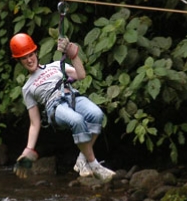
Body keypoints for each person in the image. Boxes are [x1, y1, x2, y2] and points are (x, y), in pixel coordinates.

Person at [9, 32, 116, 182]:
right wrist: (29, 149)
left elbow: (81, 75)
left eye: (30, 55)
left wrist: (73, 55)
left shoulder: (56, 65)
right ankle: (94, 165)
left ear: (36, 52)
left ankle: (82, 160)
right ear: (19, 61)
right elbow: (35, 123)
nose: (29, 60)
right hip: (55, 107)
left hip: (72, 96)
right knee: (77, 121)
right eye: (24, 58)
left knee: (97, 114)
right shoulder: (27, 88)